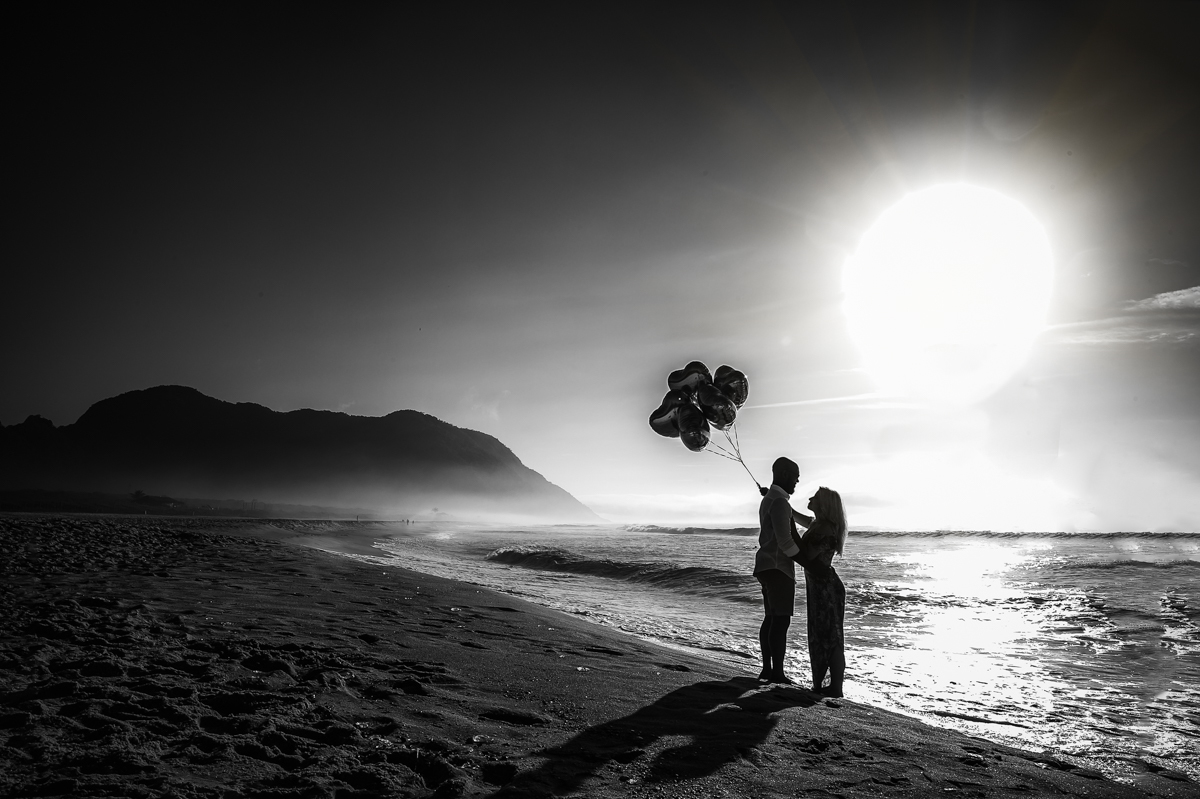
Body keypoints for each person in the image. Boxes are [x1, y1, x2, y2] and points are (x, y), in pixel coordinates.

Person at [753, 457, 813, 684]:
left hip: (766, 566)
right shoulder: (778, 502)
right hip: (778, 567)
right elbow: (786, 543)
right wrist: (810, 565)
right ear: (785, 474)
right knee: (780, 621)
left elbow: (794, 518)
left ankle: (768, 670)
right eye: (796, 476)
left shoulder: (774, 499)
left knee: (770, 618)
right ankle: (776, 673)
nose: (798, 481)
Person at [791, 487, 848, 697]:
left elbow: (807, 554)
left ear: (824, 504)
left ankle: (836, 688)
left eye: (815, 497)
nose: (810, 498)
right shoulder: (818, 524)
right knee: (823, 633)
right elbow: (797, 517)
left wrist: (789, 531)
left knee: (831, 636)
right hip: (820, 586)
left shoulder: (825, 528)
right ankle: (828, 685)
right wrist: (779, 501)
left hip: (827, 588)